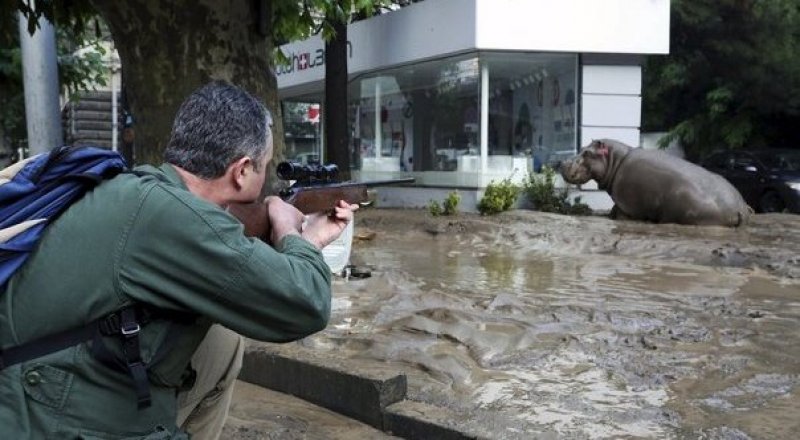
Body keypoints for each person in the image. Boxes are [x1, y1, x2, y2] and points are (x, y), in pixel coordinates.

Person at [0, 81, 357, 439]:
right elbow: (305, 303)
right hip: (37, 411)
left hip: (42, 377)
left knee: (220, 345)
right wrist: (301, 236)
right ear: (242, 170)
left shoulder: (142, 190)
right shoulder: (170, 217)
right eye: (264, 167)